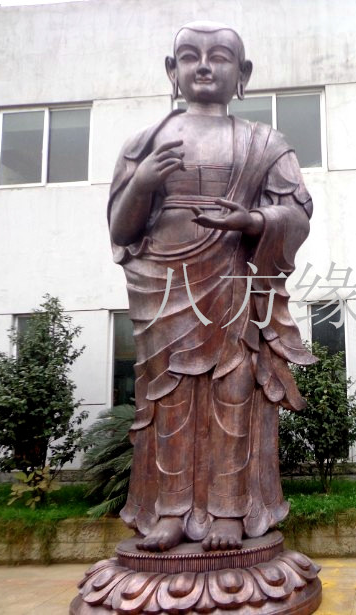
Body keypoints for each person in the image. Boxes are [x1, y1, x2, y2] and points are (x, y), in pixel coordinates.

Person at [107, 21, 315, 552]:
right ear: (171, 70)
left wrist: (252, 221)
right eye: (190, 56)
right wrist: (144, 182)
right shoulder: (144, 144)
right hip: (162, 284)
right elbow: (122, 231)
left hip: (230, 281)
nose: (203, 66)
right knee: (169, 398)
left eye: (219, 56)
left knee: (234, 390)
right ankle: (171, 511)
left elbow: (296, 214)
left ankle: (229, 510)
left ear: (242, 73)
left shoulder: (264, 142)